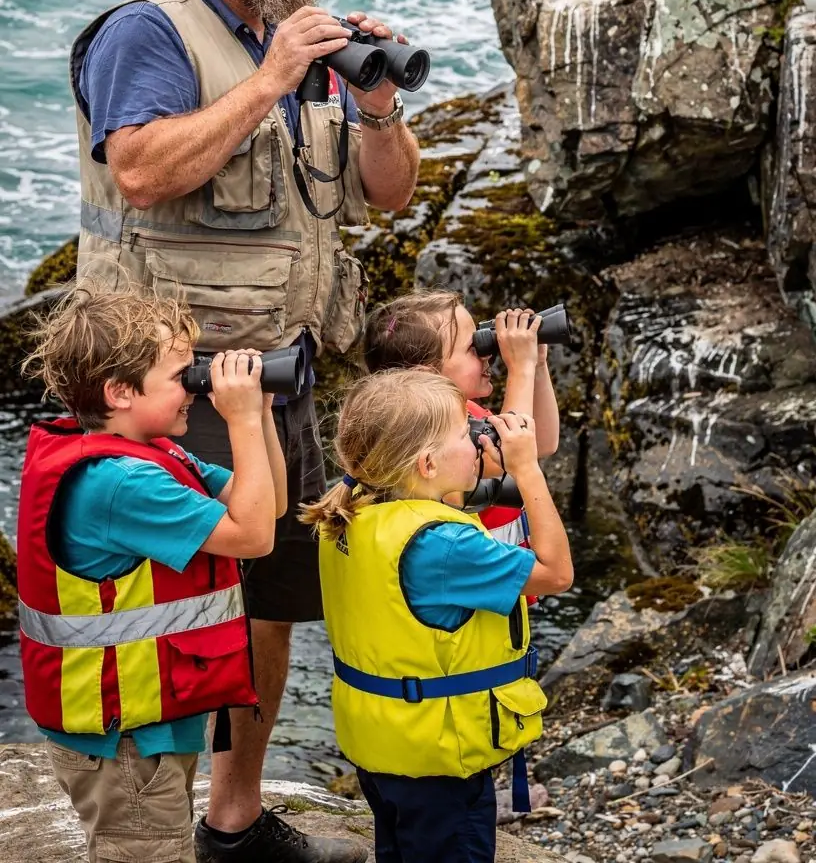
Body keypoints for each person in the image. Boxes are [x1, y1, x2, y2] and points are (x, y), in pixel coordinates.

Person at [69, 0, 420, 862]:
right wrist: (271, 77)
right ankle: (142, 835)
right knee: (171, 616)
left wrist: (377, 107)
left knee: (269, 606)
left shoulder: (297, 45)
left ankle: (233, 820)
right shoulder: (149, 32)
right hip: (169, 392)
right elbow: (139, 171)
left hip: (276, 378)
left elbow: (390, 192)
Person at [17, 281, 285, 863]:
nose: (195, 387)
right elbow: (255, 538)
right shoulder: (122, 483)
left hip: (145, 725)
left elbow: (269, 506)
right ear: (120, 392)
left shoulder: (150, 452)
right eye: (182, 376)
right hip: (124, 740)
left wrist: (261, 415)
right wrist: (238, 421)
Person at [302, 370, 574, 863]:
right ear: (427, 463)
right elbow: (556, 572)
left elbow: (437, 506)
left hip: (384, 745)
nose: (477, 441)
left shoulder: (355, 507)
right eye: (465, 434)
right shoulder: (445, 545)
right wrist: (528, 470)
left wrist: (477, 465)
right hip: (441, 759)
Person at [363, 292, 559, 550]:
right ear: (427, 375)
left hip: (508, 567)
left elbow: (541, 443)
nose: (487, 355)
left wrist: (537, 365)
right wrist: (520, 367)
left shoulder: (467, 411)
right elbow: (504, 456)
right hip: (481, 568)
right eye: (472, 348)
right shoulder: (424, 437)